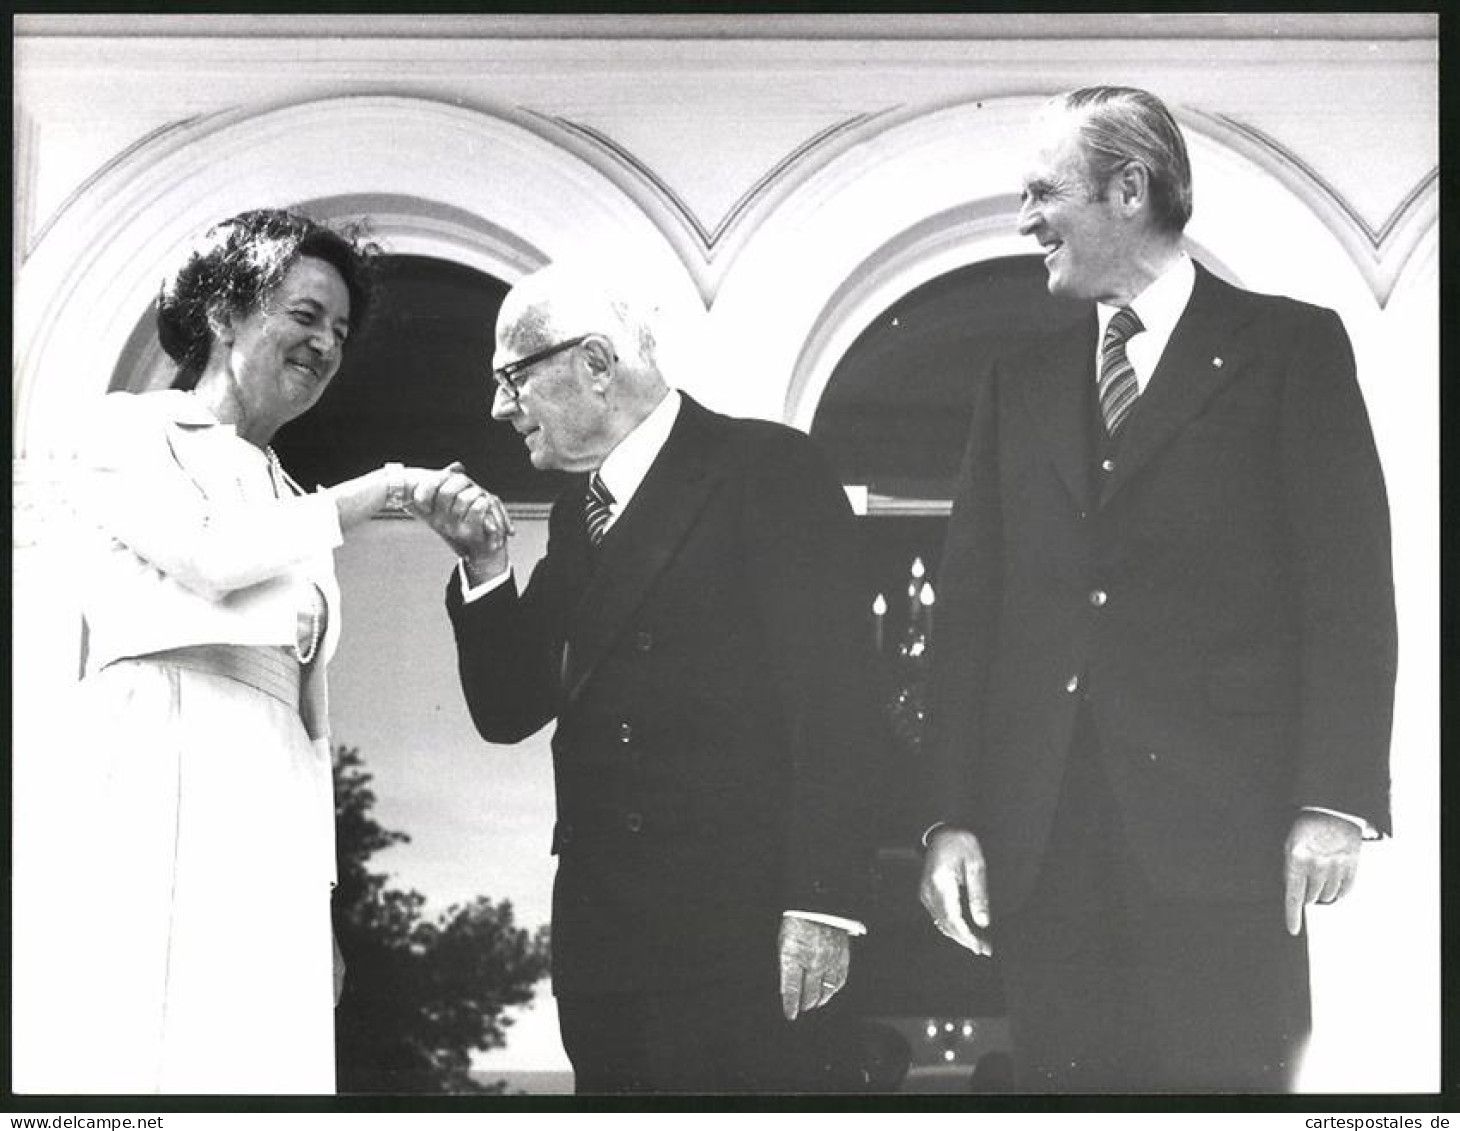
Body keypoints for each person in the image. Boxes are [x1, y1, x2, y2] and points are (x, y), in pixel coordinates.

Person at [918, 86, 1396, 1092]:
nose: (1024, 220)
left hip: (1223, 840)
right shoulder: (1017, 381)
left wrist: (1333, 797)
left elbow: (1345, 590)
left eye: (1042, 191)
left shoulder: (1287, 350)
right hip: (1044, 844)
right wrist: (950, 816)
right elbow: (969, 615)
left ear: (1126, 189)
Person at [412, 264, 880, 1093]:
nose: (497, 407)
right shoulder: (576, 512)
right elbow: (510, 707)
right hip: (608, 957)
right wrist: (485, 565)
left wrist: (821, 904)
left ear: (596, 361)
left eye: (512, 376)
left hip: (740, 945)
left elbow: (836, 702)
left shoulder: (765, 467)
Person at [53, 209, 438, 1093]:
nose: (325, 344)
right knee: (143, 1038)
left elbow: (309, 713)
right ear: (225, 313)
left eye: (339, 330)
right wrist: (373, 492)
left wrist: (324, 901)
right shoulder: (129, 431)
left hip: (269, 793)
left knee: (258, 1055)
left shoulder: (285, 488)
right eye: (304, 315)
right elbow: (211, 555)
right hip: (160, 756)